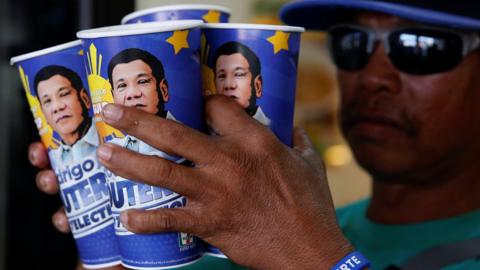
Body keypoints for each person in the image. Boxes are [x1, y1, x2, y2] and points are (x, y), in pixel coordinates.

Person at [28, 0, 480, 269]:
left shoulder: (291, 231)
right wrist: (118, 244)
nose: (374, 76)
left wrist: (309, 254)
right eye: (352, 43)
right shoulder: (236, 226)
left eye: (422, 46)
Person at [107, 48, 180, 161]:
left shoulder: (194, 137)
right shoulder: (112, 149)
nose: (132, 94)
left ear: (164, 90)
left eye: (142, 81)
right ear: (114, 97)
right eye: (122, 86)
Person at [33, 65, 97, 167]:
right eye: (47, 101)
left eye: (64, 94)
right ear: (43, 113)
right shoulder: (54, 159)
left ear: (85, 98)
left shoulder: (112, 138)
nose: (57, 107)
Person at [213, 41, 271, 126]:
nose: (229, 85)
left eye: (239, 74)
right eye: (222, 76)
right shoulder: (206, 131)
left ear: (257, 86)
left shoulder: (273, 131)